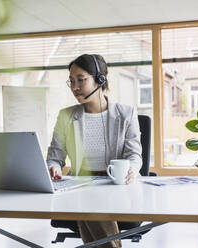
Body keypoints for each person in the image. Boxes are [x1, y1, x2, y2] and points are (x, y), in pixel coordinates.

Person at [46, 54, 142, 248]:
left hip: (114, 187)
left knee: (92, 203)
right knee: (91, 200)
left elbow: (134, 154)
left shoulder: (126, 113)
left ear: (100, 80)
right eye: (71, 81)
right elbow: (54, 156)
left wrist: (132, 168)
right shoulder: (66, 116)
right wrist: (53, 167)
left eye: (81, 80)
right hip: (78, 185)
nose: (75, 87)